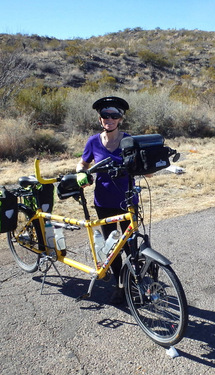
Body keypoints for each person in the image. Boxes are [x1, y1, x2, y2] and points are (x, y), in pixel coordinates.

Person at [76, 96, 133, 305]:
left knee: (131, 246)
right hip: (103, 202)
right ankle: (119, 285)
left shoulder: (129, 141)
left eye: (114, 115)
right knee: (112, 247)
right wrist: (81, 173)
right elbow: (82, 163)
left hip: (127, 201)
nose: (109, 119)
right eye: (105, 116)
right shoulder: (93, 141)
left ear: (120, 119)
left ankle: (137, 281)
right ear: (100, 120)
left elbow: (145, 169)